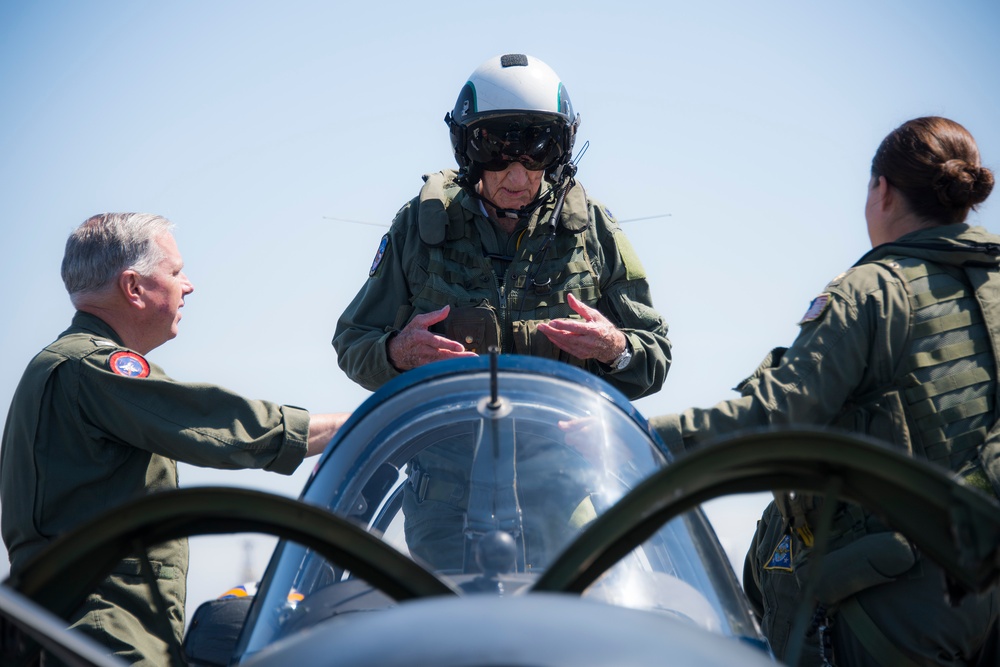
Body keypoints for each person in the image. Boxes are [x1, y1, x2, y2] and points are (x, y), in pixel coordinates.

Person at [650, 116, 999, 666]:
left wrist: (645, 436)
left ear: (881, 191)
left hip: (898, 605)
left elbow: (779, 416)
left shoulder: (874, 290)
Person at [333, 53, 671, 571]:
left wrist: (616, 349)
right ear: (468, 150)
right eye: (498, 153)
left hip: (564, 494)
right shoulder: (419, 229)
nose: (517, 176)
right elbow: (354, 342)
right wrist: (396, 353)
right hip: (446, 506)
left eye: (536, 154)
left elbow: (655, 354)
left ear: (558, 153)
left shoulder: (593, 232)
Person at [0, 213, 350, 666]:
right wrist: (357, 422)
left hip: (65, 627)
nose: (188, 286)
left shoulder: (59, 366)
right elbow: (216, 426)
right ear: (133, 287)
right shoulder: (95, 367)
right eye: (176, 271)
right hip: (106, 634)